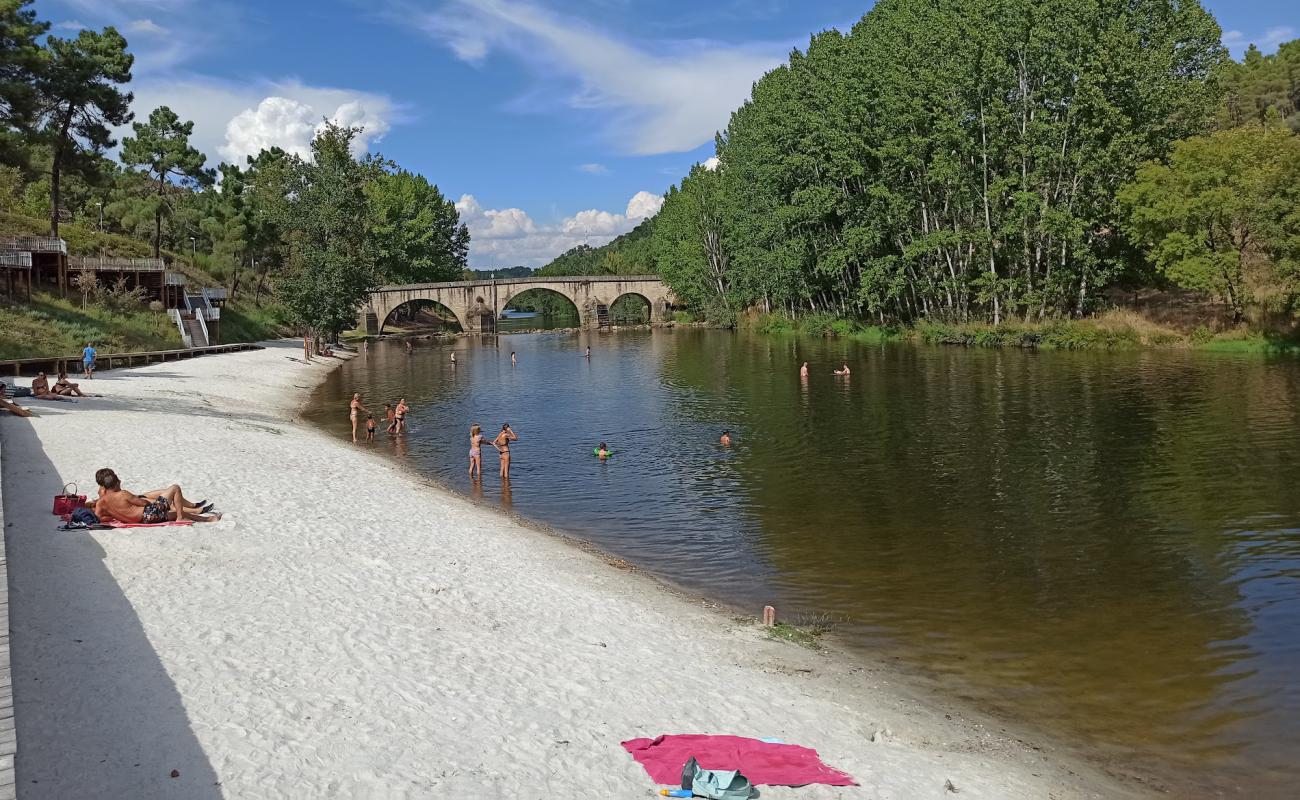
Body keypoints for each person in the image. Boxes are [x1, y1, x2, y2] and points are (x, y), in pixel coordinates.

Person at [93, 468, 220, 524]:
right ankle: (181, 518)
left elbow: (99, 518)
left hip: (143, 520)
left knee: (174, 512)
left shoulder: (100, 502)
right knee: (175, 488)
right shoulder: (122, 493)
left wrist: (117, 517)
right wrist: (150, 504)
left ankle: (208, 519)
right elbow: (142, 503)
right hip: (148, 514)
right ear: (115, 484)